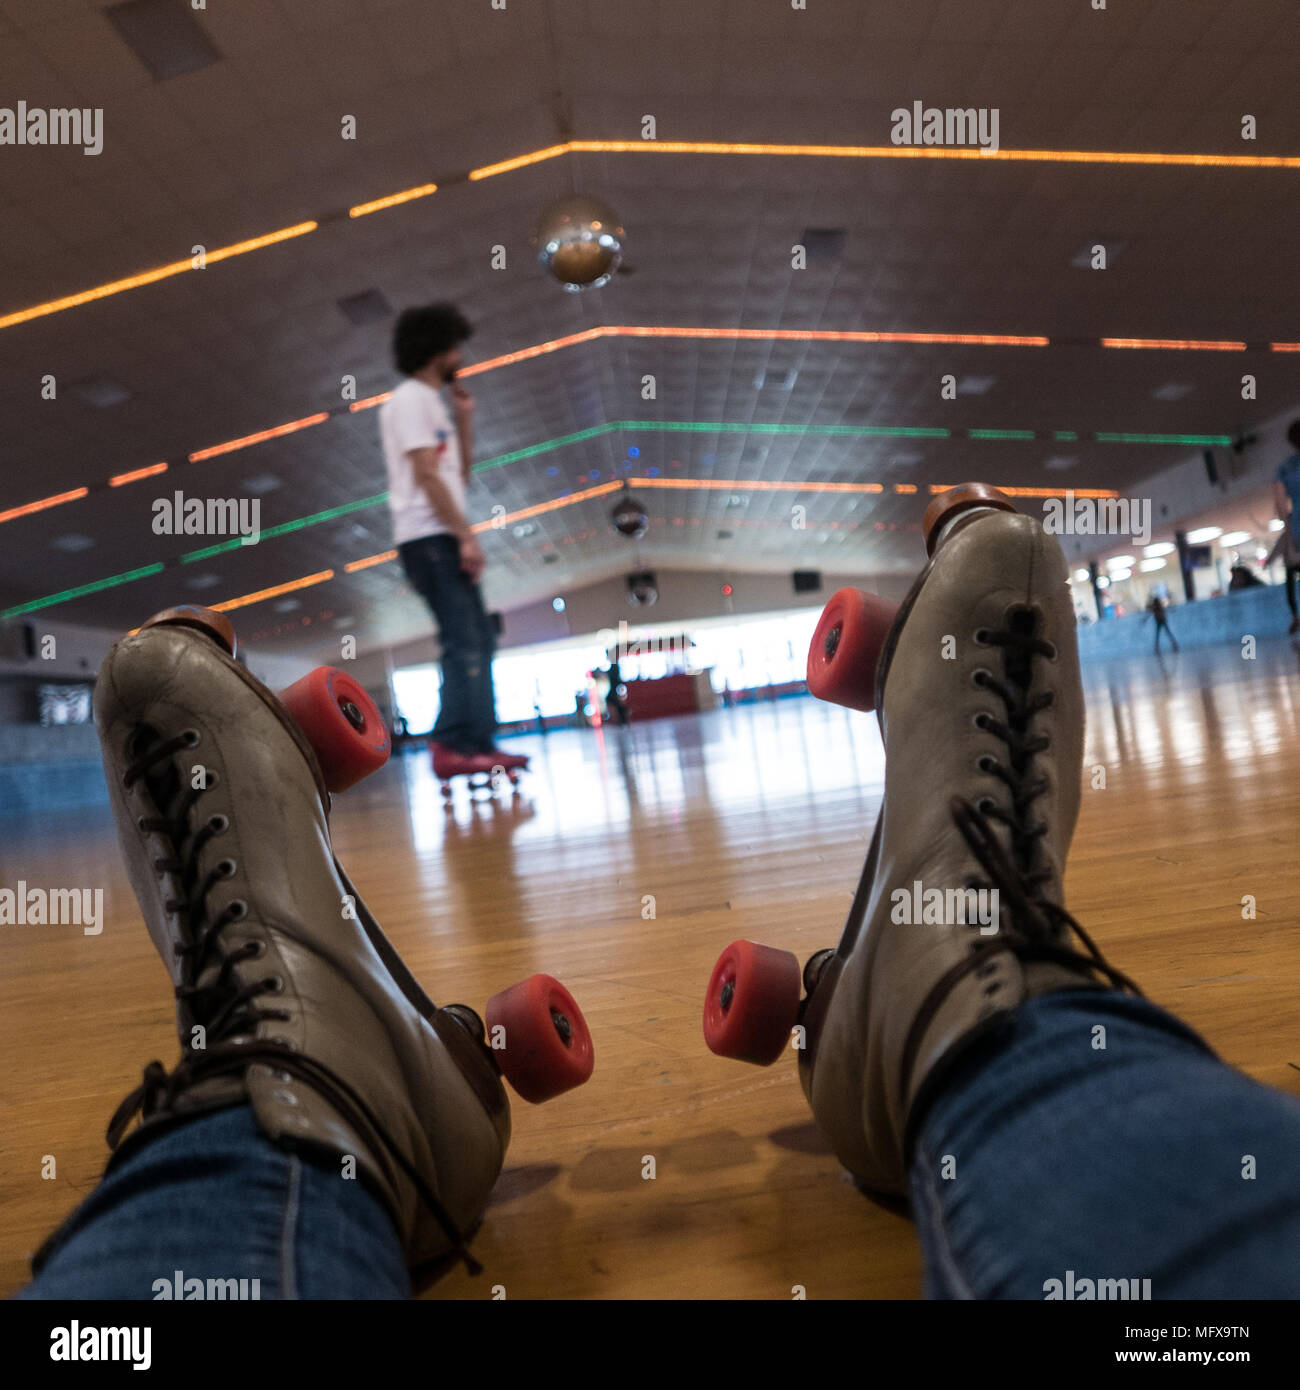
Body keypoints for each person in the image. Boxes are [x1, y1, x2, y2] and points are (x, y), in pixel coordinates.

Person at [381, 303, 526, 780]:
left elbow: (456, 476)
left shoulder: (433, 405)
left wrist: (464, 419)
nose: (460, 355)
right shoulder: (409, 400)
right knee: (465, 641)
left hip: (440, 536)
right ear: (438, 349)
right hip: (430, 540)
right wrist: (466, 538)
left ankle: (475, 741)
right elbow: (425, 475)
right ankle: (453, 742)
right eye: (455, 346)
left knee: (478, 639)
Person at [1269, 421, 1300, 634]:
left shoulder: (1284, 469)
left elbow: (1280, 506)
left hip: (1299, 526)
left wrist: (1289, 529)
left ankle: (1295, 616)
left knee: (1291, 575)